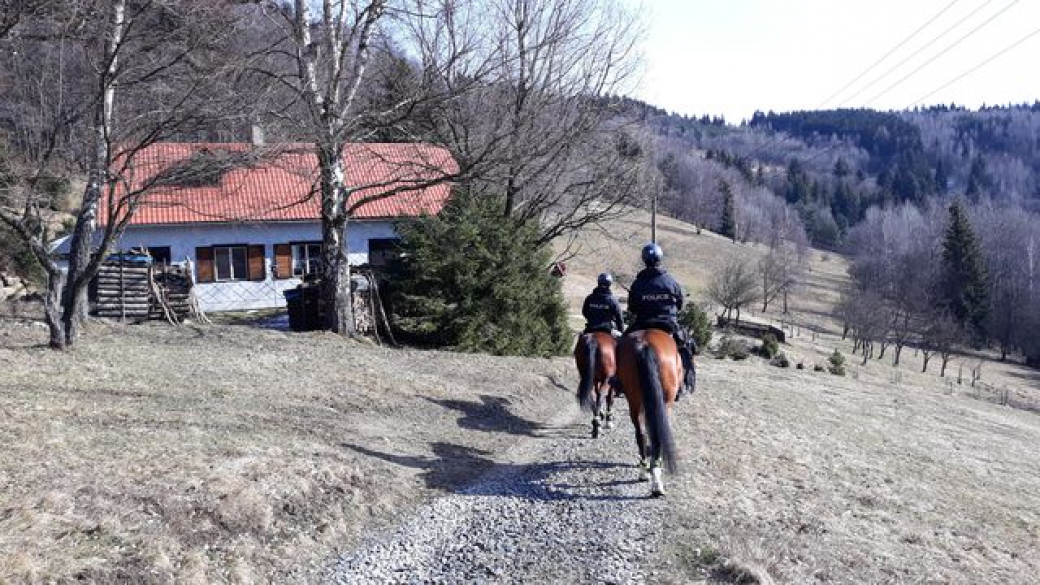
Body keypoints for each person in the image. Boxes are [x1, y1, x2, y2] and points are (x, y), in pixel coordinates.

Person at [626, 243, 696, 398]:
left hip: (642, 324)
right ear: (660, 258)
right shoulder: (671, 281)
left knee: (621, 344)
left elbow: (632, 308)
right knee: (686, 345)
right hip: (668, 325)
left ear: (644, 259)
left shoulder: (638, 283)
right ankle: (685, 382)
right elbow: (680, 304)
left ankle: (617, 379)